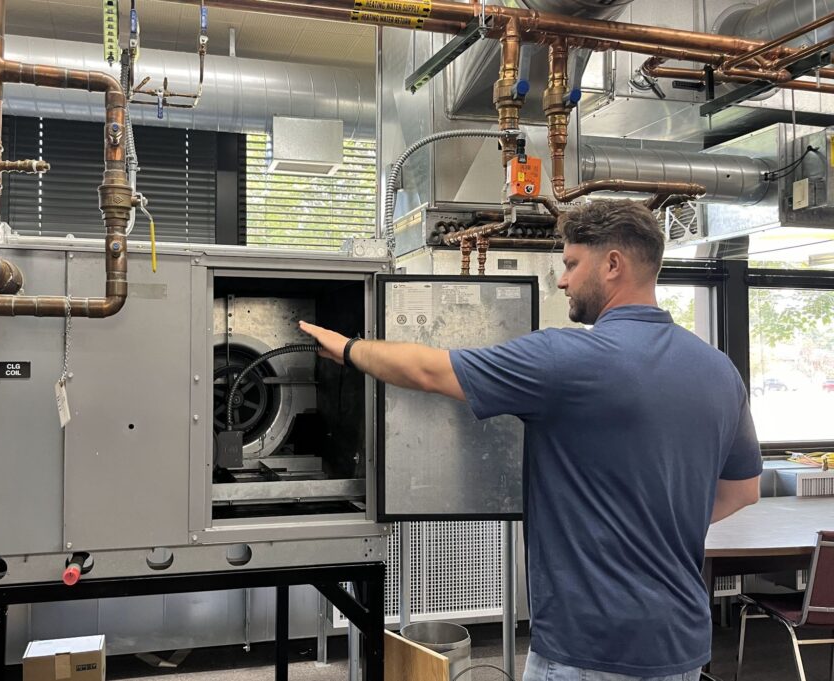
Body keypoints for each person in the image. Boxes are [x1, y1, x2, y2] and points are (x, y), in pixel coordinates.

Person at [299, 199, 761, 681]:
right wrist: (655, 515)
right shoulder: (718, 370)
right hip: (681, 646)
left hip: (587, 648)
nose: (562, 280)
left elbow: (429, 370)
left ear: (613, 264)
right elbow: (742, 491)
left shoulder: (569, 359)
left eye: (570, 264)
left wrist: (348, 348)